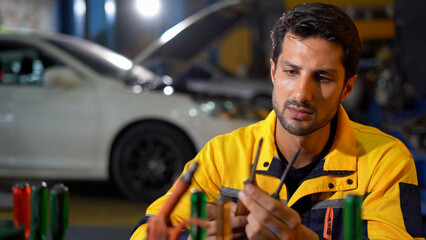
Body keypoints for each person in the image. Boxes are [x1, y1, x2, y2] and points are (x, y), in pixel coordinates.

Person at [131, 2, 424, 239]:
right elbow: (147, 232)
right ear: (273, 73)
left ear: (347, 87)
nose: (302, 93)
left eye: (322, 77)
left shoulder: (385, 163)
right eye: (291, 72)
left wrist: (299, 238)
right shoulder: (222, 157)